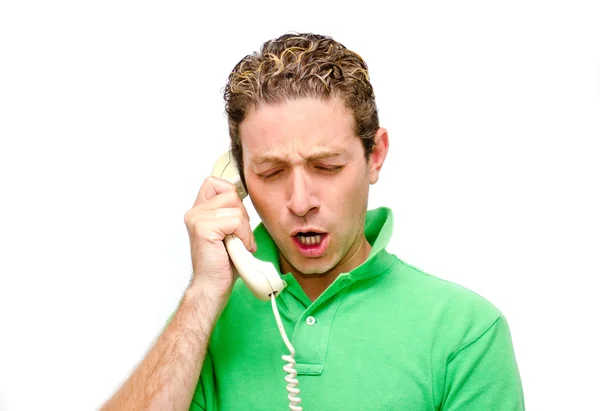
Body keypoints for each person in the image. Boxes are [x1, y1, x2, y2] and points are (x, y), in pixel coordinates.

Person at [101, 32, 525, 410]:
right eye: (270, 173)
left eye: (326, 166)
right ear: (239, 178)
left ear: (374, 156)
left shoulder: (466, 332)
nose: (300, 202)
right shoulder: (202, 331)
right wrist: (204, 293)